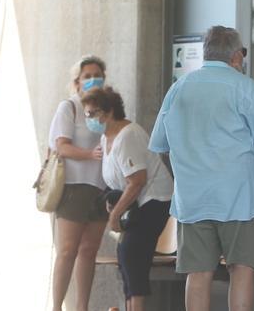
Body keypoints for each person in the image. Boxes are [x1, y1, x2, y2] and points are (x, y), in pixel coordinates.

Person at [149, 26, 254, 311]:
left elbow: (159, 146)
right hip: (237, 198)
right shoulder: (245, 88)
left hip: (193, 199)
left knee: (198, 273)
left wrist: (184, 177)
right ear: (235, 56)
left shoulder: (179, 88)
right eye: (243, 53)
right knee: (241, 268)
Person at [80, 86, 173, 311]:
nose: (89, 120)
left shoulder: (128, 136)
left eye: (92, 114)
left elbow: (137, 180)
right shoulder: (106, 138)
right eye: (86, 115)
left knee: (132, 254)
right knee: (125, 257)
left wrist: (115, 214)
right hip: (135, 203)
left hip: (154, 200)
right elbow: (117, 182)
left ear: (108, 111)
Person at [49, 56, 110, 311]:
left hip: (100, 187)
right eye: (88, 75)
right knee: (67, 251)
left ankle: (82, 307)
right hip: (75, 187)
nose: (93, 79)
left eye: (98, 74)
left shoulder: (106, 109)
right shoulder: (69, 107)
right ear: (77, 81)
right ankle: (57, 307)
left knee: (89, 251)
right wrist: (89, 155)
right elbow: (60, 146)